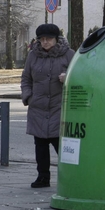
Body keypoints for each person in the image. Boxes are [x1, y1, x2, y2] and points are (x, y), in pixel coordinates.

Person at [21, 23, 75, 188]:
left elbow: (81, 75)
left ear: (56, 39)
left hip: (60, 107)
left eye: (48, 39)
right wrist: (28, 97)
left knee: (61, 146)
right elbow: (26, 79)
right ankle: (43, 177)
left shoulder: (69, 54)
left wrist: (69, 77)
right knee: (41, 146)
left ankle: (70, 178)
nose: (45, 42)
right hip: (38, 107)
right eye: (42, 39)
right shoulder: (33, 55)